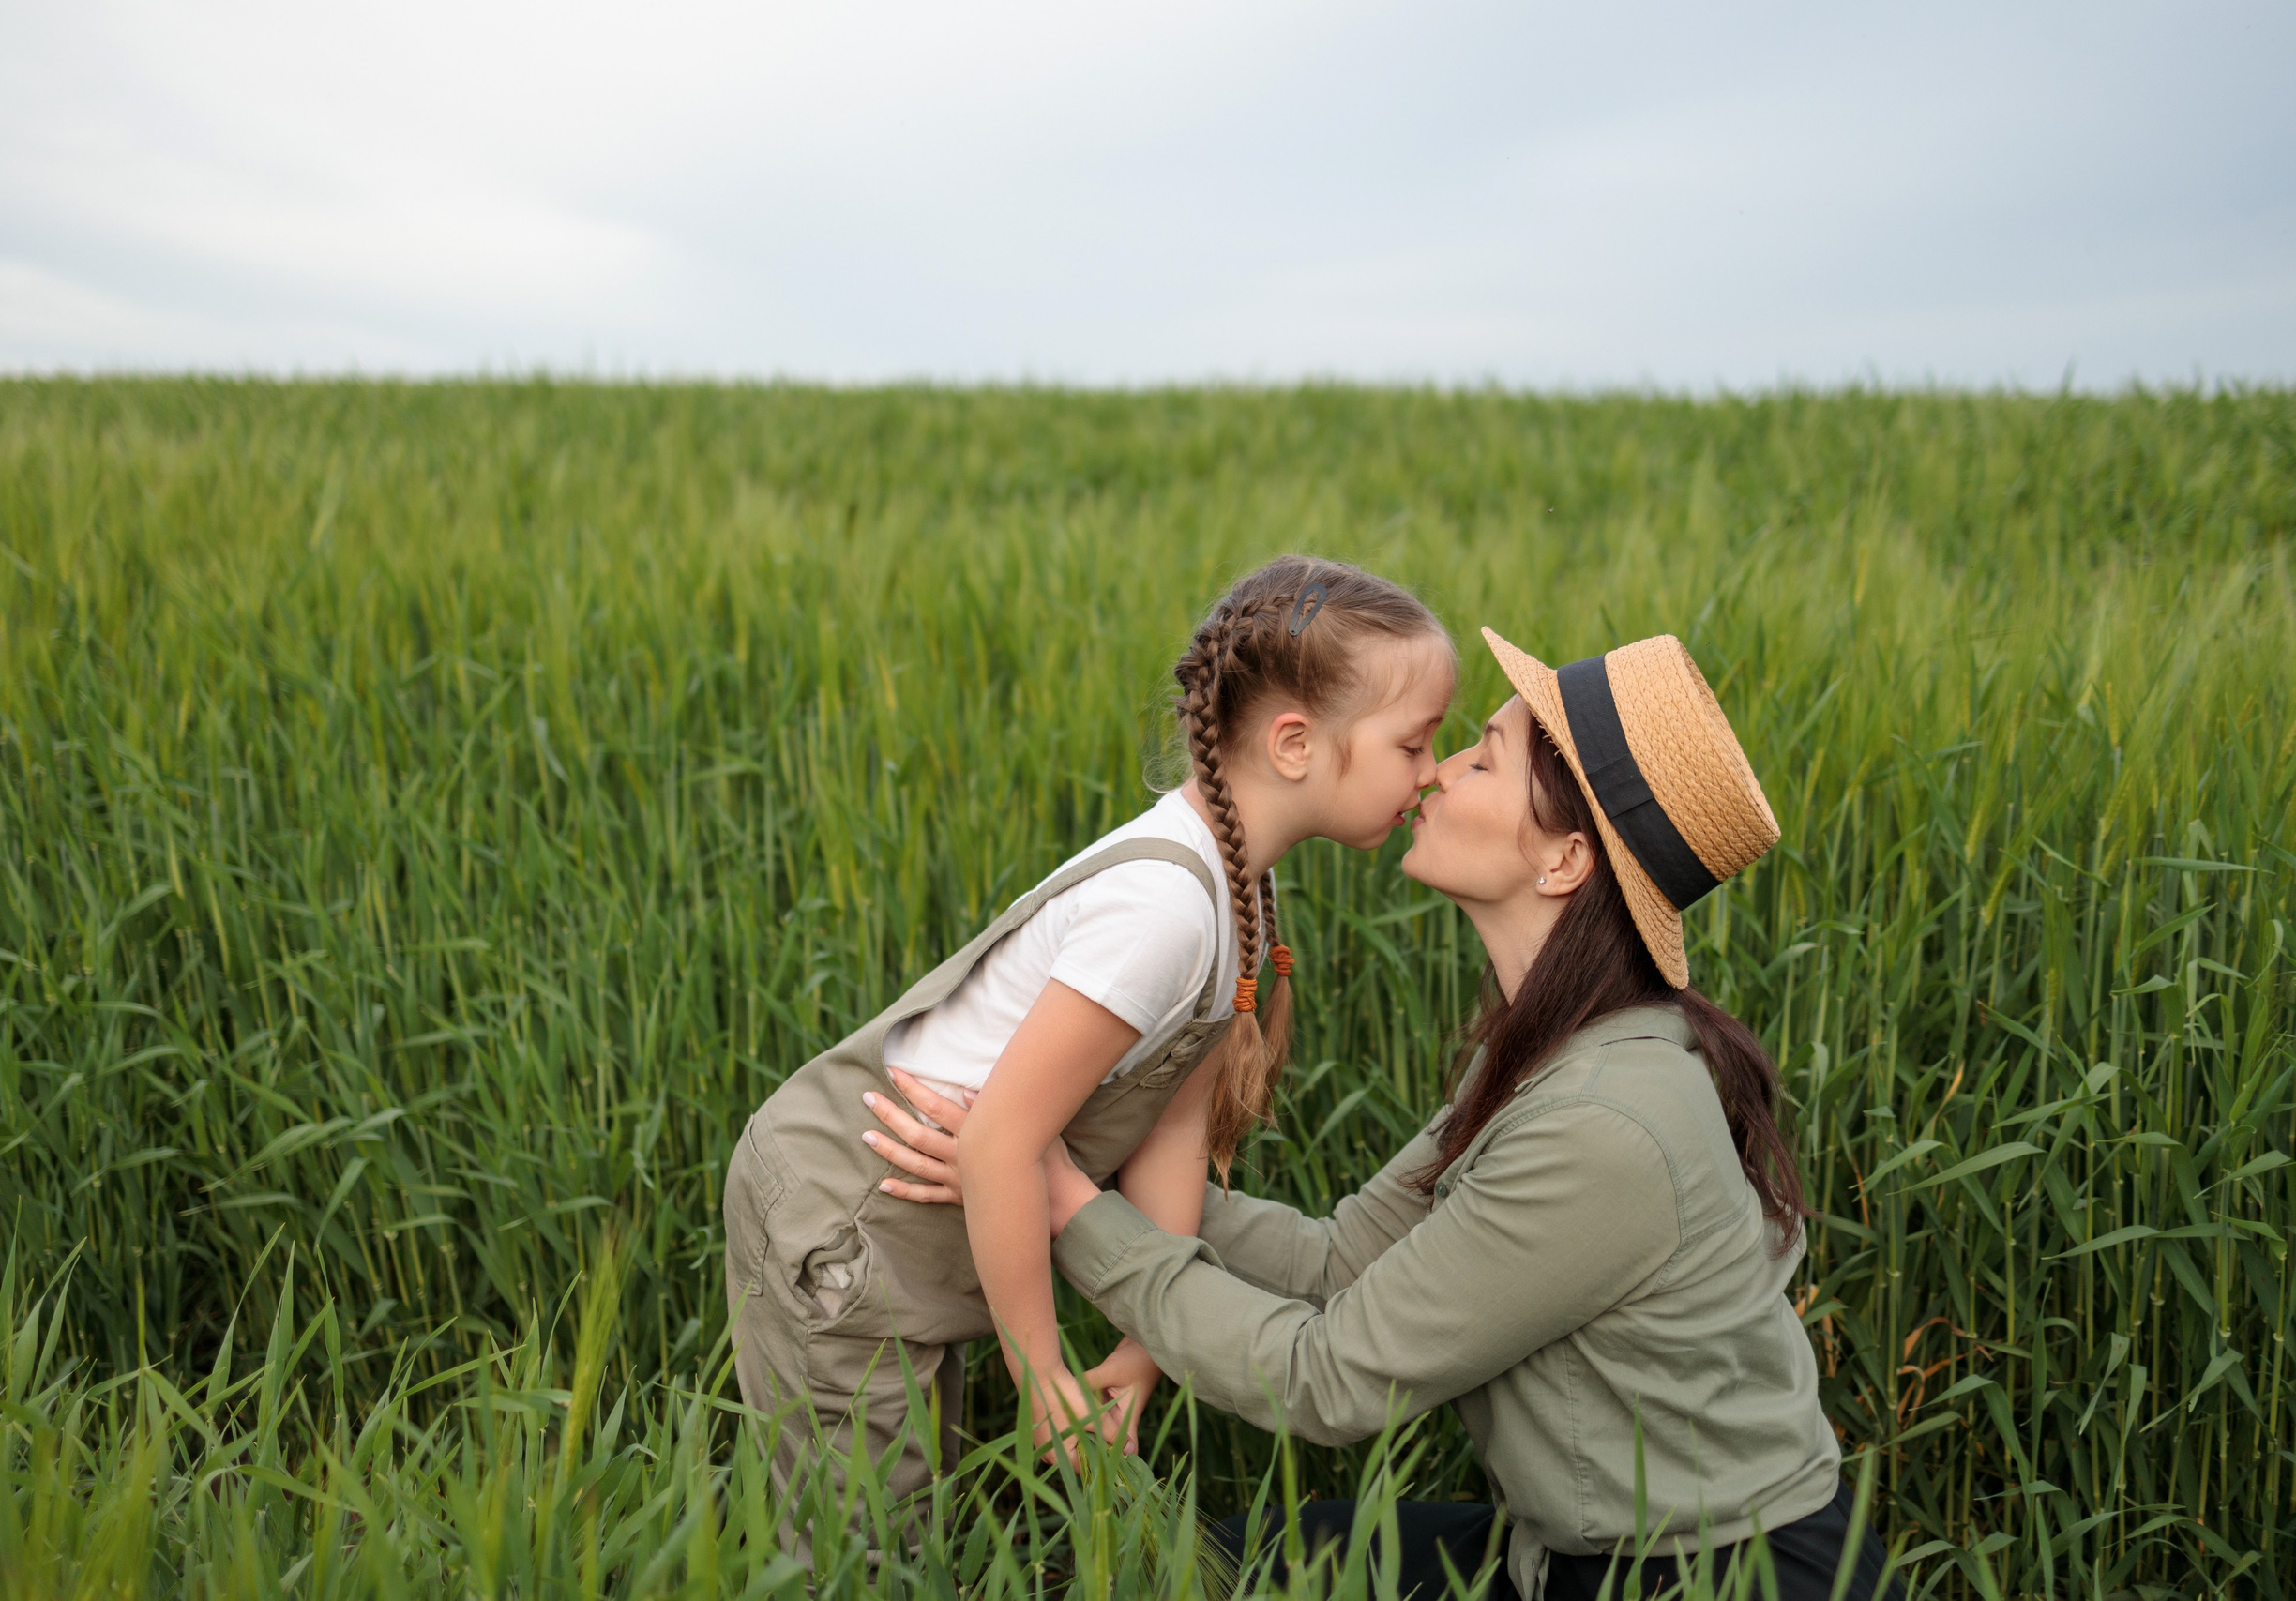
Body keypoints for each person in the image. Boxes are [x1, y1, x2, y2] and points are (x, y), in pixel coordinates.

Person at [865, 627, 1904, 1600]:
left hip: (1717, 1576)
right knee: (1220, 1559)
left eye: (1483, 760)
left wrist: (1056, 1197)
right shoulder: (1547, 1049)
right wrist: (1093, 1171)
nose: (1437, 773)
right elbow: (1332, 1262)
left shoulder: (1602, 1126)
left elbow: (1325, 1380)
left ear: (1563, 861)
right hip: (1572, 1543)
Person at [723, 556, 1456, 1524]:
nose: (1433, 771)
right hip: (846, 1216)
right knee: (854, 1546)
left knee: (908, 1521)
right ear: (1294, 744)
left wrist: (1147, 1341)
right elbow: (999, 1142)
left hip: (917, 1235)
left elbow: (1172, 1133)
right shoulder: (1164, 909)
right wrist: (1038, 1372)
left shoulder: (1240, 889)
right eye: (1415, 742)